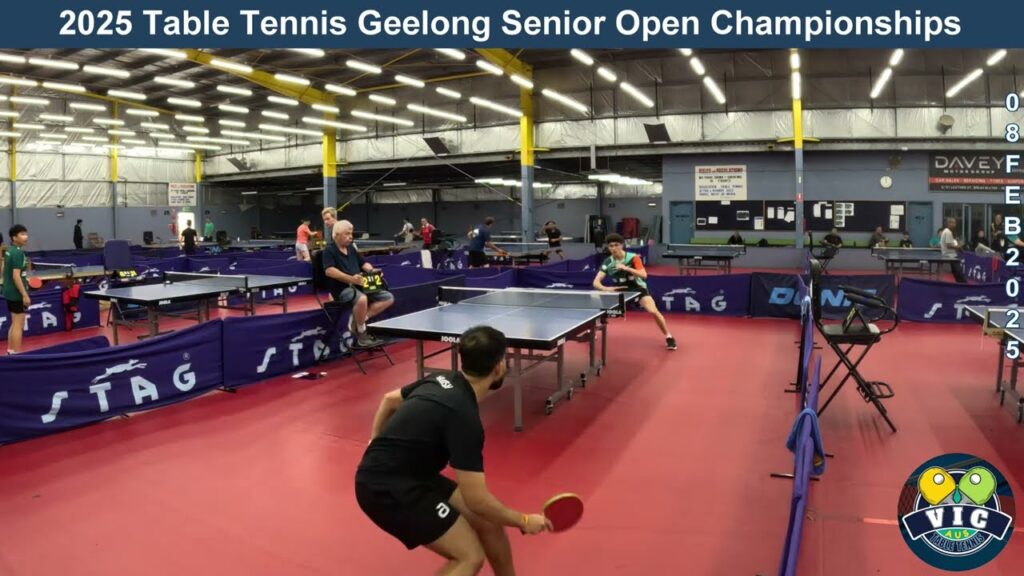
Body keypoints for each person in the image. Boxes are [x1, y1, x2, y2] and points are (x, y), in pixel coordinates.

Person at [356, 326, 552, 575]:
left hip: (409, 474)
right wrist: (524, 520)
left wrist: (375, 441)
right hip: (385, 489)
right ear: (499, 367)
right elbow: (477, 500)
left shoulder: (442, 379)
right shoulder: (464, 419)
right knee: (468, 557)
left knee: (489, 522)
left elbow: (389, 399)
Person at [592, 233, 676, 350]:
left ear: (622, 245)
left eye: (616, 245)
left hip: (637, 287)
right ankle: (593, 331)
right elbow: (596, 282)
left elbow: (644, 275)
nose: (614, 248)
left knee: (653, 311)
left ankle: (669, 336)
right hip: (620, 289)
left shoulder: (633, 258)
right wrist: (606, 289)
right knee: (598, 308)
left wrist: (626, 268)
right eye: (611, 246)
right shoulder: (608, 262)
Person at [323, 220, 394, 347]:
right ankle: (362, 334)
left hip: (360, 284)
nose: (351, 236)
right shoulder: (329, 250)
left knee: (388, 297)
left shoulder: (351, 248)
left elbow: (363, 264)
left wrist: (372, 270)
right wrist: (351, 279)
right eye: (347, 234)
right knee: (362, 299)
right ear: (337, 235)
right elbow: (329, 271)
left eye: (351, 233)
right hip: (342, 289)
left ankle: (358, 320)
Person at [3, 225, 30, 355]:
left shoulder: (10, 250)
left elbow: (4, 271)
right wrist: (24, 295)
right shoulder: (18, 252)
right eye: (22, 234)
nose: (26, 237)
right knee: (19, 324)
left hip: (8, 291)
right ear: (14, 237)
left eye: (26, 234)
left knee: (14, 323)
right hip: (16, 293)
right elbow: (16, 276)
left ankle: (11, 351)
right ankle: (18, 355)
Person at [939, 217, 966, 283]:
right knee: (959, 273)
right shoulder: (948, 232)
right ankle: (965, 285)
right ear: (949, 223)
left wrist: (957, 246)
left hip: (949, 255)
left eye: (955, 223)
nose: (955, 224)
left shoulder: (946, 231)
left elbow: (951, 244)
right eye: (953, 223)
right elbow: (949, 245)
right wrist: (959, 247)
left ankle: (960, 284)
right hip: (950, 256)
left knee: (955, 272)